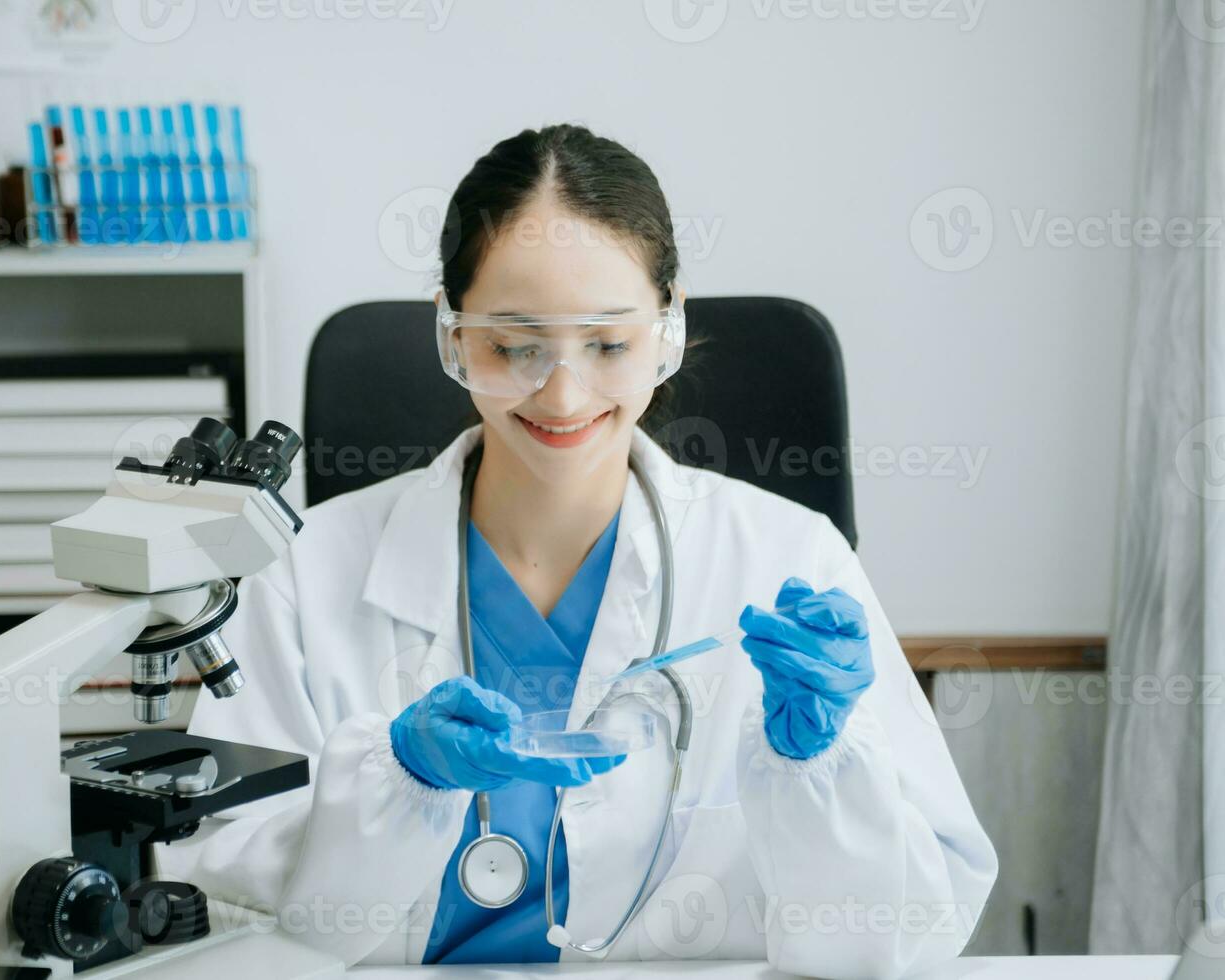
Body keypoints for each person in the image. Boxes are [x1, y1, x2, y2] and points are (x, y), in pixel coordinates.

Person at [159, 123, 997, 977]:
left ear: (667, 331)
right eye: (515, 345)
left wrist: (821, 771)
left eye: (607, 344)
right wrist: (387, 787)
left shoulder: (789, 557)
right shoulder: (310, 571)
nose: (562, 394)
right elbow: (214, 900)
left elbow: (924, 919)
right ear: (453, 336)